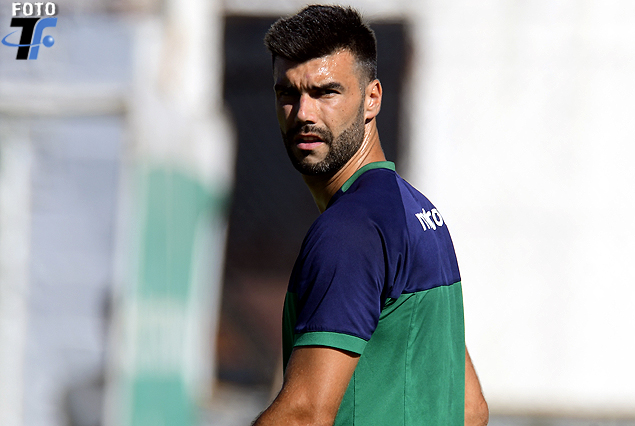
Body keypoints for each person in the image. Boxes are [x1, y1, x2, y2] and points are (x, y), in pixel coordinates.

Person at [253, 5, 488, 426]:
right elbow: (470, 409)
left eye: (326, 92)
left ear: (371, 99)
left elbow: (304, 415)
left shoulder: (351, 231)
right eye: (288, 93)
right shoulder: (418, 213)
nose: (303, 113)